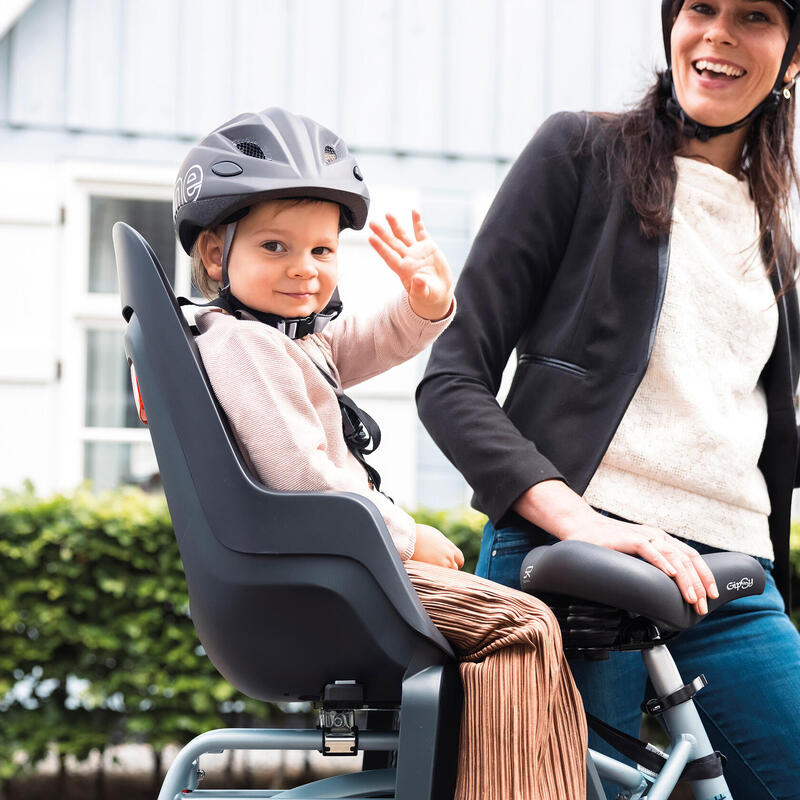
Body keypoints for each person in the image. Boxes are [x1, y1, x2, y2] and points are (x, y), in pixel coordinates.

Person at [417, 1, 800, 797]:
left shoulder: (774, 230)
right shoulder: (580, 152)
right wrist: (583, 524)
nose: (719, 33)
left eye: (756, 15)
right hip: (578, 565)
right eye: (701, 6)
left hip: (733, 575)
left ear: (794, 59)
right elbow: (452, 379)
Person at [172, 106, 587, 800]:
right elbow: (304, 476)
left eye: (323, 251)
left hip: (326, 567)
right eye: (275, 247)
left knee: (515, 624)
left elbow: (366, 342)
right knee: (520, 624)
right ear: (217, 254)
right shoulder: (242, 344)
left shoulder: (283, 339)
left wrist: (424, 302)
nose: (304, 270)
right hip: (330, 571)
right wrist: (406, 534)